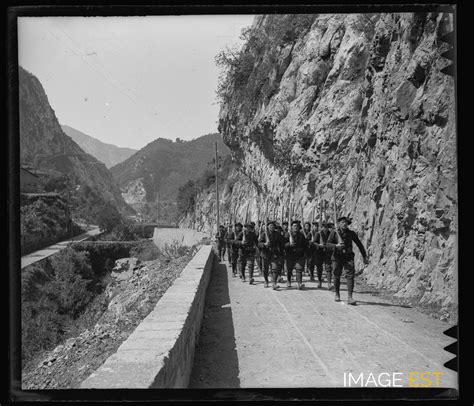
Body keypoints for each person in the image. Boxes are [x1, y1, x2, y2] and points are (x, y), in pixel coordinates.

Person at [327, 217, 369, 305]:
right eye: (342, 222)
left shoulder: (351, 233)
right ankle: (337, 294)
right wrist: (336, 246)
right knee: (336, 275)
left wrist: (364, 256)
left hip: (348, 256)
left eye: (346, 223)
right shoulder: (334, 233)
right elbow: (328, 244)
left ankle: (350, 297)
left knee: (350, 275)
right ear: (339, 224)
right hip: (337, 257)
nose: (344, 224)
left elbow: (359, 244)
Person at [258, 220, 286, 290]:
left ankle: (274, 283)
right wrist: (264, 244)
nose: (272, 227)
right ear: (267, 226)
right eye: (270, 225)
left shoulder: (277, 234)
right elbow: (258, 244)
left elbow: (281, 243)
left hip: (274, 254)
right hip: (265, 254)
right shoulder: (264, 234)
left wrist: (282, 251)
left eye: (273, 226)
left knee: (275, 268)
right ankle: (266, 280)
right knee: (265, 269)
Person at [284, 220, 308, 290]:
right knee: (289, 269)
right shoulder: (287, 234)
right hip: (290, 255)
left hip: (299, 255)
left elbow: (305, 245)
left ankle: (299, 283)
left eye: (297, 226)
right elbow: (283, 244)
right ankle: (288, 281)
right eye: (294, 226)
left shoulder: (301, 235)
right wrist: (289, 244)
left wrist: (304, 252)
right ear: (291, 227)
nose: (296, 227)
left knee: (299, 269)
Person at [311, 222, 333, 289]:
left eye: (327, 227)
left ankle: (329, 283)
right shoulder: (318, 234)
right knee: (319, 268)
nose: (325, 229)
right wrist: (319, 245)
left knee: (328, 268)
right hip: (319, 253)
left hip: (327, 253)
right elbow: (314, 243)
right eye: (324, 227)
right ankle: (319, 282)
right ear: (322, 227)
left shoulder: (331, 234)